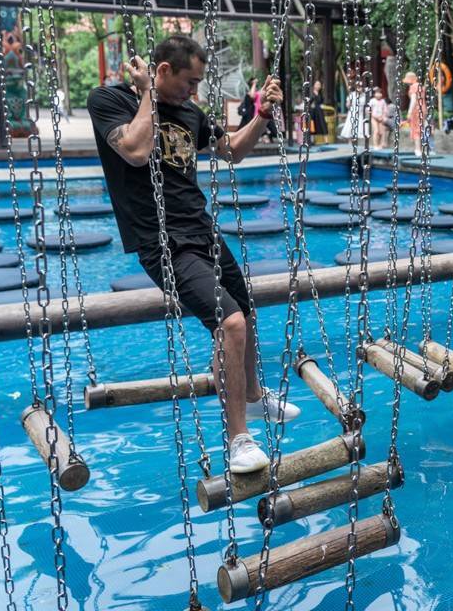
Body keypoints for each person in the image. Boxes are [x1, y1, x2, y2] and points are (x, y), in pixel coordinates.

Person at [87, 35, 300, 475]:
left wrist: (262, 115)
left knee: (247, 310)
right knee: (230, 322)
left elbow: (233, 151)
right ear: (162, 72)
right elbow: (135, 149)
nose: (194, 92)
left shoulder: (191, 112)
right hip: (161, 242)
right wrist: (148, 93)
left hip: (200, 229)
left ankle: (255, 399)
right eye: (188, 82)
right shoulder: (108, 100)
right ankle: (238, 440)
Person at [405, 71, 428, 157]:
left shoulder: (414, 87)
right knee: (421, 129)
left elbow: (414, 100)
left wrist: (409, 112)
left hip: (416, 110)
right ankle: (423, 149)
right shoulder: (421, 86)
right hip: (423, 108)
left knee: (416, 130)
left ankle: (418, 149)